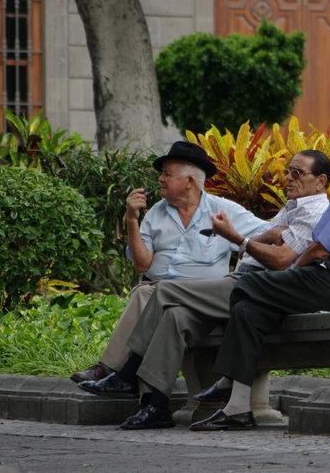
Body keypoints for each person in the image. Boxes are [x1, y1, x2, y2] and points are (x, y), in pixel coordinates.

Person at [77, 150, 330, 430]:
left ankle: (126, 373)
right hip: (237, 285)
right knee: (174, 316)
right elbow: (266, 239)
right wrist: (263, 237)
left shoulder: (311, 211)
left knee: (163, 292)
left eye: (297, 173)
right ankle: (156, 405)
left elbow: (280, 259)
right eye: (288, 171)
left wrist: (238, 238)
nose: (288, 178)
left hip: (255, 288)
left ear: (320, 182)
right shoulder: (292, 207)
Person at [190, 120, 330, 431]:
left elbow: (319, 248)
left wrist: (293, 274)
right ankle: (236, 408)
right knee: (250, 310)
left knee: (249, 284)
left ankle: (226, 379)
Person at [71, 141, 267, 383]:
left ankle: (108, 369)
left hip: (200, 295)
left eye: (167, 174)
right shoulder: (155, 212)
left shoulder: (223, 211)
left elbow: (271, 233)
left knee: (146, 293)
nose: (160, 179)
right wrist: (132, 219)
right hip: (162, 292)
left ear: (190, 181)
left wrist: (243, 244)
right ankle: (134, 386)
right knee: (151, 291)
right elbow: (142, 265)